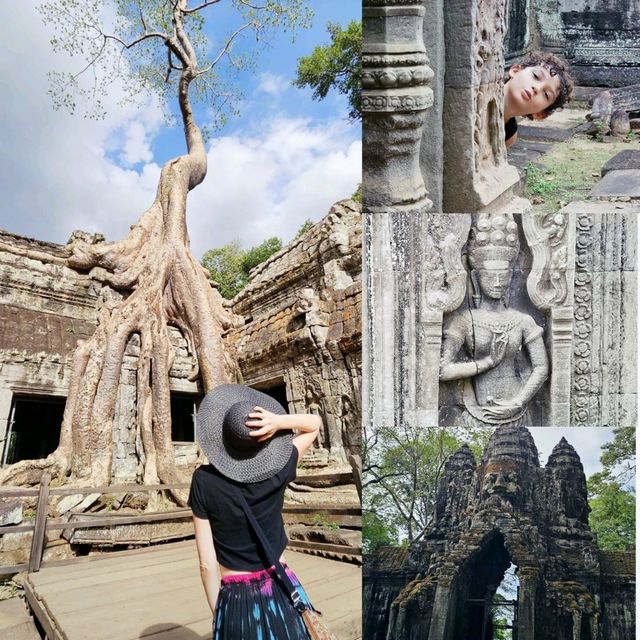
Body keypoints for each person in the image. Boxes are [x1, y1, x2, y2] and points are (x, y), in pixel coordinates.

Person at [188, 383, 322, 639]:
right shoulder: (281, 468)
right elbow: (313, 424)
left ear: (220, 438)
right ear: (264, 438)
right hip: (282, 585)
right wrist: (277, 422)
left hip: (236, 595)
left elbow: (206, 565)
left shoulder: (203, 481)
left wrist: (220, 614)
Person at [504, 51, 574, 148]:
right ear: (515, 70)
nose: (537, 88)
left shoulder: (508, 137)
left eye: (546, 94)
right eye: (536, 76)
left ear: (540, 114)